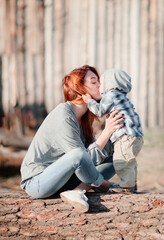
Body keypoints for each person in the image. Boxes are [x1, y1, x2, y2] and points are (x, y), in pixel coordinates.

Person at [20, 65, 124, 213]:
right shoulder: (64, 113)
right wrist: (106, 132)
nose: (101, 86)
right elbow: (81, 158)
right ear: (80, 89)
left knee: (116, 152)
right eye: (94, 82)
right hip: (38, 182)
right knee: (78, 154)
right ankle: (101, 185)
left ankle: (77, 191)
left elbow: (90, 161)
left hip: (65, 180)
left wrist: (115, 134)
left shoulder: (85, 120)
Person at [82, 69, 144, 193]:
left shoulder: (110, 95)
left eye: (101, 82)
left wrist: (89, 102)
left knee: (122, 160)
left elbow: (100, 111)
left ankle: (126, 186)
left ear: (111, 83)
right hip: (136, 136)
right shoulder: (121, 96)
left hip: (125, 136)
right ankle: (132, 183)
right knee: (130, 160)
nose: (99, 85)